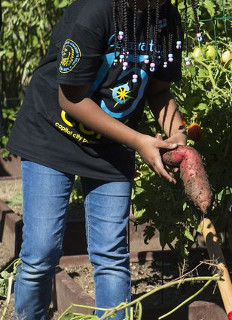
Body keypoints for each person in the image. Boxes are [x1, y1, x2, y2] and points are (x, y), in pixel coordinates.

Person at [6, 0, 201, 319]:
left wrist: (177, 132)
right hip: (52, 136)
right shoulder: (95, 11)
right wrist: (139, 141)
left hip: (112, 146)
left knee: (111, 255)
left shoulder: (164, 16)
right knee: (41, 251)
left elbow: (158, 91)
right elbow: (70, 98)